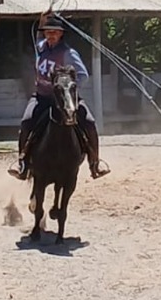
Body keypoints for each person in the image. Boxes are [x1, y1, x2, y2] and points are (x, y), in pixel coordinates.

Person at [8, 11, 110, 181]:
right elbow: (38, 36)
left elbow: (83, 75)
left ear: (61, 34)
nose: (51, 35)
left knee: (90, 123)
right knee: (26, 123)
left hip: (65, 100)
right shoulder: (42, 47)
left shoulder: (68, 53)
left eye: (54, 32)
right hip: (42, 97)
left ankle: (95, 163)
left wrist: (68, 90)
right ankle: (23, 163)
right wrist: (43, 19)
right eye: (48, 32)